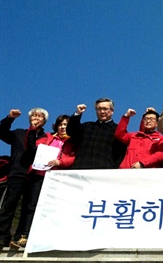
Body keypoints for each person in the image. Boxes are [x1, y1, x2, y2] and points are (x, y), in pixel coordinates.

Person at [9, 115, 76, 248]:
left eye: (66, 125)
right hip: (39, 175)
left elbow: (74, 157)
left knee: (51, 207)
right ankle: (23, 236)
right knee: (30, 206)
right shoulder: (47, 137)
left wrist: (60, 162)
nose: (63, 127)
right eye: (61, 124)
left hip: (58, 178)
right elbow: (32, 147)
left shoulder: (73, 142)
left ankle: (46, 237)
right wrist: (33, 129)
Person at [0, 108, 49, 248]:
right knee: (9, 205)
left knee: (29, 207)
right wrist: (9, 118)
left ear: (44, 121)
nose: (36, 118)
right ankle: (2, 236)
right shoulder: (18, 133)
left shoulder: (47, 138)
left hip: (34, 176)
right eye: (34, 116)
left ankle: (20, 237)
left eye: (39, 117)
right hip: (17, 173)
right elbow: (2, 132)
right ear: (29, 119)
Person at [66, 98, 126, 169]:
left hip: (105, 172)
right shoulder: (87, 126)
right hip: (81, 169)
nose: (102, 111)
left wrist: (114, 169)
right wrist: (78, 113)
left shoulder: (117, 130)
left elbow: (122, 153)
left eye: (105, 109)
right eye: (99, 109)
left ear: (112, 110)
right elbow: (71, 131)